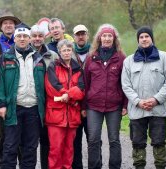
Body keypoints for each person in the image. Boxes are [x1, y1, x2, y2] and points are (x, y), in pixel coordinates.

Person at [121, 26, 166, 169]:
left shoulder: (164, 57)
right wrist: (138, 102)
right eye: (141, 37)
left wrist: (156, 99)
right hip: (137, 110)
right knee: (137, 142)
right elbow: (125, 85)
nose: (144, 39)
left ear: (151, 38)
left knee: (159, 141)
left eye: (147, 36)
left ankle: (160, 166)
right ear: (138, 40)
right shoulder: (129, 61)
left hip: (158, 109)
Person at [0, 23, 46, 169]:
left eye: (25, 36)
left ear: (30, 39)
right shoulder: (6, 58)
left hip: (34, 108)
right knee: (10, 146)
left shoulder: (38, 58)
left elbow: (44, 84)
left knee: (30, 147)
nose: (22, 39)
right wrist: (1, 104)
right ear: (15, 38)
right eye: (19, 36)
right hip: (13, 108)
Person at [82, 23, 127, 169]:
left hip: (114, 106)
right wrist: (83, 106)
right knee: (93, 139)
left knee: (114, 139)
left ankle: (115, 167)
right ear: (99, 38)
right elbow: (85, 83)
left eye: (110, 36)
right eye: (104, 36)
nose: (107, 38)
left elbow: (125, 83)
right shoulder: (91, 57)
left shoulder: (121, 58)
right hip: (93, 106)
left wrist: (125, 105)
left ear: (114, 39)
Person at [45, 39, 85, 169]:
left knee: (69, 150)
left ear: (72, 51)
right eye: (64, 50)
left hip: (72, 116)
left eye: (69, 50)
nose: (67, 53)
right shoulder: (53, 66)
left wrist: (68, 95)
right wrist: (69, 94)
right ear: (59, 52)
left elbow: (82, 89)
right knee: (55, 150)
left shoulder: (78, 69)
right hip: (56, 115)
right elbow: (52, 87)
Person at [30, 24, 59, 169]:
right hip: (30, 104)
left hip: (48, 104)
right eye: (34, 36)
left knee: (46, 142)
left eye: (40, 36)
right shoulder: (25, 54)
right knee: (29, 142)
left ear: (44, 37)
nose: (37, 39)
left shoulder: (53, 56)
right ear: (30, 38)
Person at [72, 24, 91, 169]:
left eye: (83, 34)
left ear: (87, 35)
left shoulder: (95, 52)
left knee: (94, 140)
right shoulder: (68, 52)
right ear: (74, 36)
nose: (80, 36)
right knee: (75, 141)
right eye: (78, 34)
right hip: (75, 105)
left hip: (91, 105)